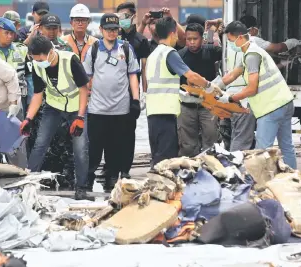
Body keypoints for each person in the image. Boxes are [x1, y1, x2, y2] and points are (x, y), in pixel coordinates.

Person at [214, 21, 297, 169]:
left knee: (262, 151)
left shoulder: (251, 55)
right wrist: (213, 87)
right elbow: (233, 74)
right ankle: (293, 180)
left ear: (240, 38)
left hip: (271, 107)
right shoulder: (251, 51)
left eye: (231, 41)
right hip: (285, 102)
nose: (231, 44)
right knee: (287, 147)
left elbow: (251, 89)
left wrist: (230, 98)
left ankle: (260, 185)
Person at [145, 17, 220, 170]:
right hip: (166, 112)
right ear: (173, 33)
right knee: (168, 160)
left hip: (153, 112)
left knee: (159, 157)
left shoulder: (154, 54)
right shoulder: (170, 53)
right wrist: (210, 86)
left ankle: (157, 188)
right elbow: (191, 76)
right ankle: (164, 189)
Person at [21, 35, 90, 199]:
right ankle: (29, 184)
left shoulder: (70, 60)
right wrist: (28, 118)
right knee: (40, 144)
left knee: (80, 149)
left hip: (75, 108)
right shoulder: (37, 66)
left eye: (40, 59)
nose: (38, 62)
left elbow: (83, 89)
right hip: (53, 106)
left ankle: (81, 188)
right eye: (34, 59)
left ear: (51, 52)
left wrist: (80, 117)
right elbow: (38, 94)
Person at [83, 13, 140, 190]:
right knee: (94, 148)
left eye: (115, 29)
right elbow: (86, 79)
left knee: (115, 147)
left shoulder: (126, 49)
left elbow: (132, 76)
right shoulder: (93, 50)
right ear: (101, 30)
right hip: (97, 109)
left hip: (120, 109)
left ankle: (111, 178)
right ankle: (89, 178)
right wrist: (84, 104)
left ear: (119, 30)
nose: (111, 33)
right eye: (108, 29)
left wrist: (136, 100)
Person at [115, 2, 150, 178]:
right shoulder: (111, 38)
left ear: (133, 16)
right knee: (112, 132)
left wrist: (143, 93)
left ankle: (125, 169)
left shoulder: (141, 41)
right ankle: (112, 167)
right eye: (119, 17)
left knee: (129, 132)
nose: (122, 21)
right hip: (113, 93)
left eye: (125, 17)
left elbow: (144, 68)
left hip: (131, 93)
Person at [177, 23, 222, 157]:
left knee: (211, 140)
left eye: (195, 39)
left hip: (208, 106)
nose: (191, 42)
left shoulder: (211, 51)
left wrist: (220, 32)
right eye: (188, 39)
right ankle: (189, 171)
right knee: (188, 144)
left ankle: (210, 170)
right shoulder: (179, 55)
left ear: (202, 38)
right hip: (186, 105)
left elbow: (228, 51)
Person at [0, 18, 30, 119]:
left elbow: (30, 76)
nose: (10, 37)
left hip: (19, 98)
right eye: (6, 33)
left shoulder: (23, 50)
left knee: (19, 130)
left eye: (12, 34)